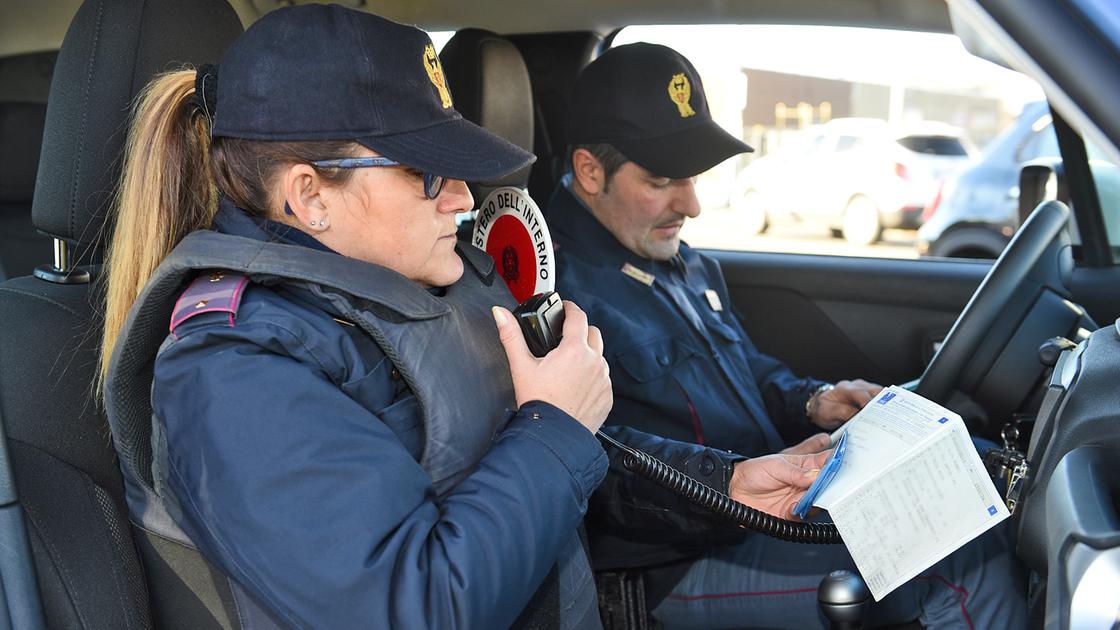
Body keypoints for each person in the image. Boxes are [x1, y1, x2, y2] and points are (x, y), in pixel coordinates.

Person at [98, 8, 836, 629]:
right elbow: (413, 605)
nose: (461, 198)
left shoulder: (425, 289)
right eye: (427, 174)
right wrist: (554, 428)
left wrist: (724, 484)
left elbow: (556, 459)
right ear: (309, 197)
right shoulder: (232, 372)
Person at [550, 42, 1027, 629]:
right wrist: (727, 485)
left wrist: (812, 400)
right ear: (590, 171)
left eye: (694, 177)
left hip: (770, 497)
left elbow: (743, 371)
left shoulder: (678, 261)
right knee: (963, 558)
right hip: (672, 559)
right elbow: (575, 459)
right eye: (663, 180)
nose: (692, 204)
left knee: (980, 487)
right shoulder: (554, 296)